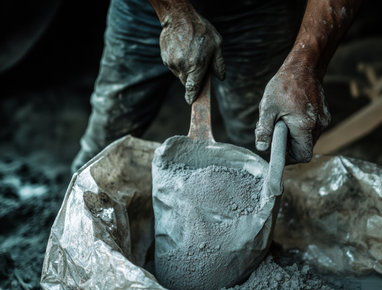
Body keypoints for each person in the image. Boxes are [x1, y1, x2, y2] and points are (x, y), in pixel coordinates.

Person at [71, 0, 362, 172]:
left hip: (257, 10)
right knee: (105, 141)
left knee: (264, 143)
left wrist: (306, 65)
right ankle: (73, 239)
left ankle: (261, 243)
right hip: (144, 10)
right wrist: (172, 12)